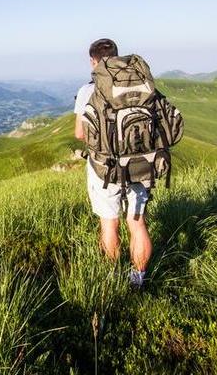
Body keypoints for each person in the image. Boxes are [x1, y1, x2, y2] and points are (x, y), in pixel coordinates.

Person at [73, 38, 152, 289]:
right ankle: (138, 279)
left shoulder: (89, 89)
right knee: (137, 223)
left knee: (110, 222)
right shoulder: (139, 82)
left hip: (104, 167)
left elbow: (80, 134)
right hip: (141, 163)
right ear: (117, 57)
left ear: (92, 61)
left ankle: (113, 279)